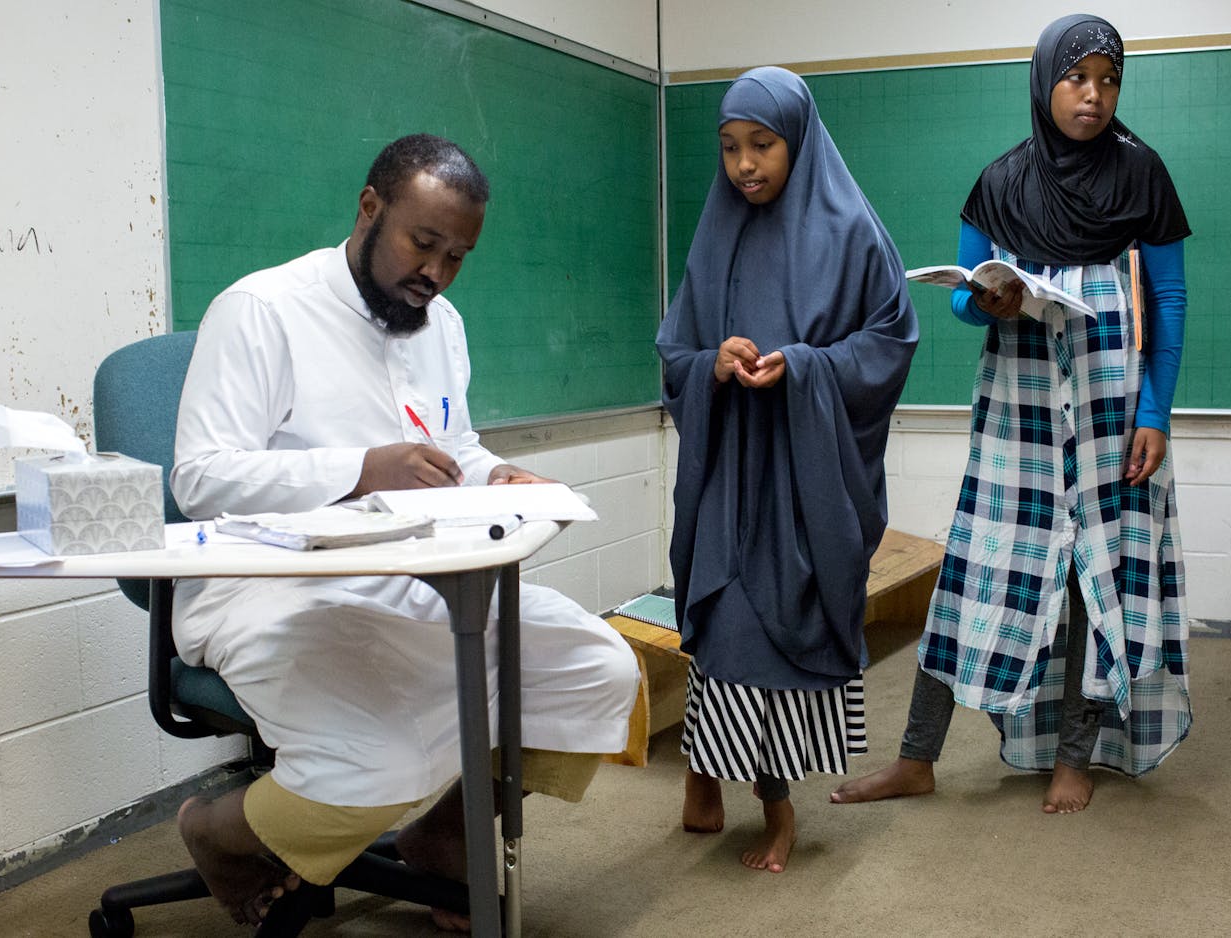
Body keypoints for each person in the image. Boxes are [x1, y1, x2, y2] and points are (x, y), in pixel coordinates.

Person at [169, 133, 638, 929]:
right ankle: (215, 830)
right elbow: (200, 477)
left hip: (410, 574)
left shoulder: (441, 323)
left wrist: (498, 476)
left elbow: (451, 447)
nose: (436, 273)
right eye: (423, 244)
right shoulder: (261, 310)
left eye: (457, 256)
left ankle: (442, 834)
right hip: (270, 586)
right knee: (380, 761)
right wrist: (361, 468)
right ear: (369, 207)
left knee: (600, 667)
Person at [832, 13, 1193, 815]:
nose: (1092, 97)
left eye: (1108, 81)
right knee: (976, 565)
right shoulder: (1000, 180)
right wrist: (985, 303)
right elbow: (963, 297)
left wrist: (1157, 410)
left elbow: (1166, 298)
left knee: (1096, 576)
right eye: (1076, 79)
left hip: (1112, 405)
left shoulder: (1144, 175)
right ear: (1044, 82)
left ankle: (1076, 755)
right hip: (1019, 407)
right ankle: (917, 756)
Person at [657, 67, 918, 873]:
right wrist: (716, 363)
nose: (744, 164)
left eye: (762, 145)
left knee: (783, 632)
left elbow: (891, 342)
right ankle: (715, 775)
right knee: (724, 624)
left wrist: (802, 366)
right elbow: (676, 351)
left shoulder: (852, 233)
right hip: (732, 472)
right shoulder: (715, 228)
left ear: (798, 140)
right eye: (730, 147)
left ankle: (775, 801)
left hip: (807, 483)